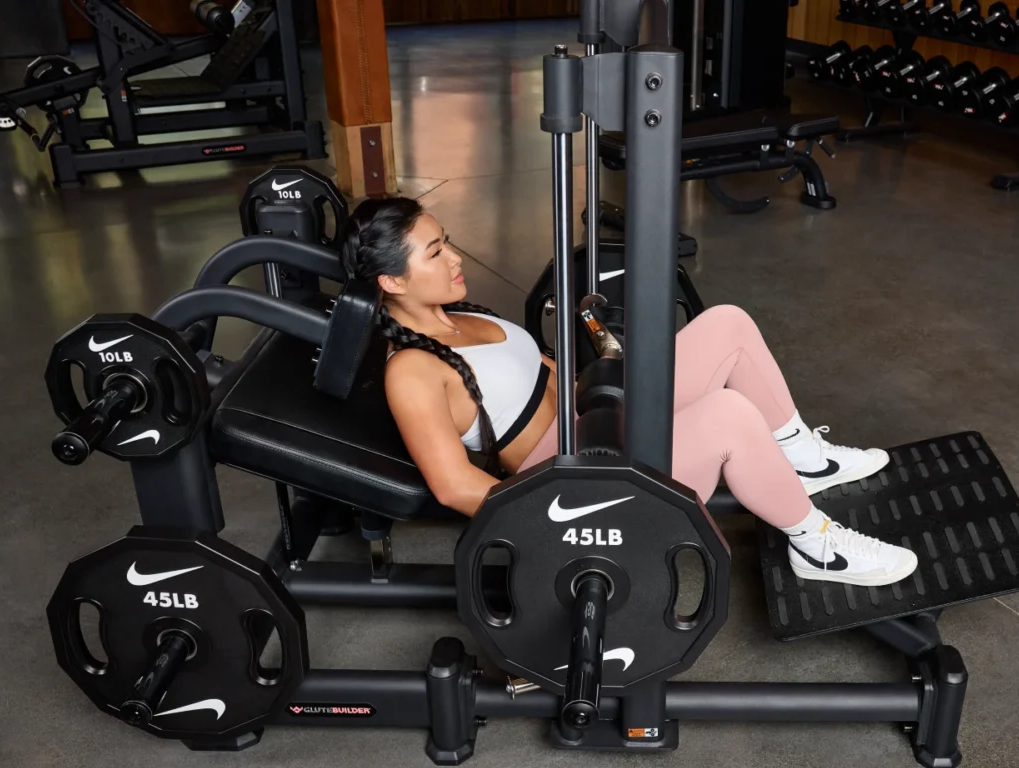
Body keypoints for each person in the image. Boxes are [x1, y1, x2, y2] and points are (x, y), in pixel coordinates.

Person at [340, 197, 918, 587]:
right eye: (435, 253)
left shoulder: (460, 314)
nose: (456, 257)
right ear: (391, 280)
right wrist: (551, 528)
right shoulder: (411, 370)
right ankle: (815, 545)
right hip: (579, 475)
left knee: (727, 324)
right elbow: (453, 485)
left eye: (448, 242)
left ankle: (805, 461)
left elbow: (547, 371)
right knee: (727, 415)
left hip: (596, 416)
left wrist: (621, 379)